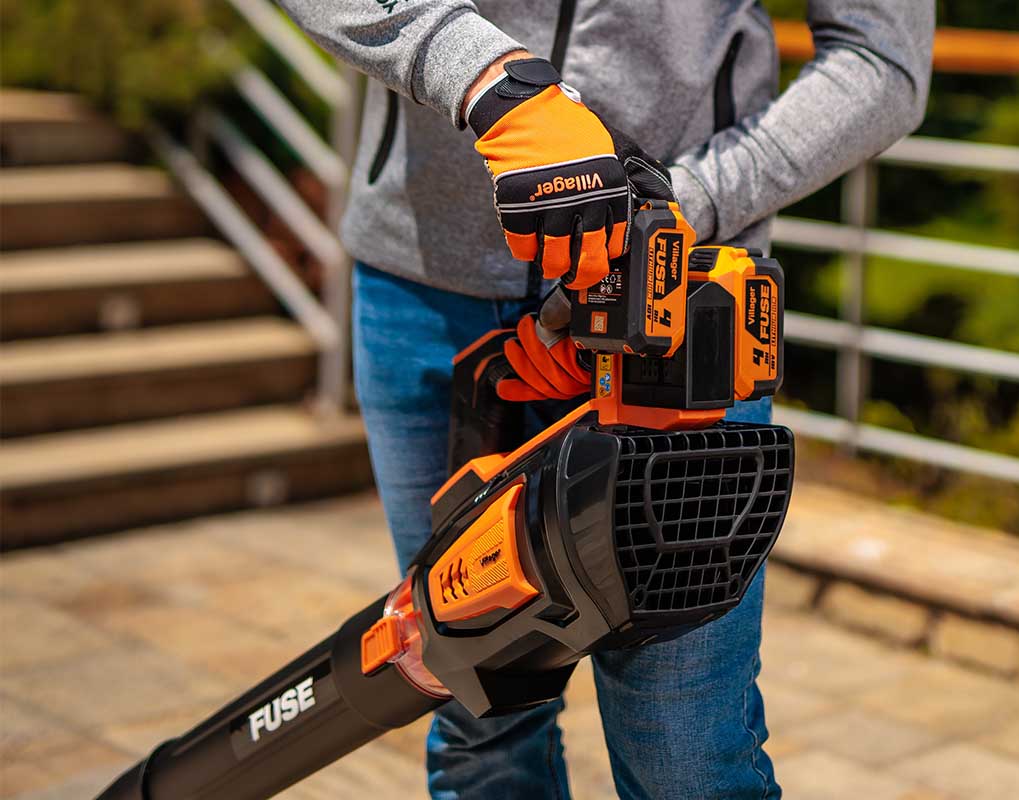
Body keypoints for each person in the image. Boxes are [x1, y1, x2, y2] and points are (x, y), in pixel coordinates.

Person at [276, 2, 934, 797]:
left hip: (678, 301)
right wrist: (485, 79)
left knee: (686, 753)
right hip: (426, 281)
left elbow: (883, 60)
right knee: (479, 712)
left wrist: (664, 209)